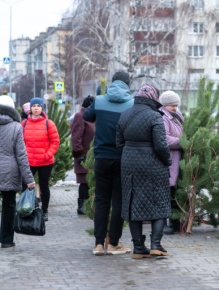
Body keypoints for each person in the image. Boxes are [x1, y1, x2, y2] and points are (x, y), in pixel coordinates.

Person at [116, 84, 172, 259]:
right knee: (160, 201)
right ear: (153, 98)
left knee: (133, 203)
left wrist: (131, 153)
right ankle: (156, 245)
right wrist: (167, 161)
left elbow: (118, 143)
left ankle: (138, 248)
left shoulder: (124, 115)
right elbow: (161, 146)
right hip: (152, 164)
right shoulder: (155, 116)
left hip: (129, 164)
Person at [83, 71, 133, 256]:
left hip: (102, 157)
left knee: (102, 200)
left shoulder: (100, 100)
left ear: (112, 83)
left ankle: (98, 244)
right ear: (128, 84)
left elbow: (87, 117)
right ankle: (113, 243)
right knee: (118, 201)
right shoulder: (132, 103)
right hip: (123, 158)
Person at [0, 95, 35, 248]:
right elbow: (21, 155)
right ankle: (7, 240)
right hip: (10, 171)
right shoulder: (16, 127)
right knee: (9, 206)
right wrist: (29, 179)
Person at [21, 97, 60, 222]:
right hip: (29, 161)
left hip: (45, 161)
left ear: (42, 108)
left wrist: (47, 155)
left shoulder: (49, 123)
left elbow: (55, 142)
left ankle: (45, 211)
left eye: (38, 105)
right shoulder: (24, 124)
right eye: (34, 106)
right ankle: (26, 208)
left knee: (44, 186)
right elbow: (20, 142)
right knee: (25, 186)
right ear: (30, 108)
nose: (36, 108)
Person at [158, 91, 184, 235]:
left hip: (179, 158)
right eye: (172, 105)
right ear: (164, 104)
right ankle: (165, 223)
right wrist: (183, 142)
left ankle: (176, 222)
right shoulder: (162, 117)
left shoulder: (177, 116)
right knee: (167, 192)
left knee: (176, 192)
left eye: (176, 105)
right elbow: (165, 139)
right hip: (168, 159)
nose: (175, 108)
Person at [70, 95, 95, 215]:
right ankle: (81, 207)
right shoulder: (80, 116)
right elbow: (76, 137)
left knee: (91, 182)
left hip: (92, 156)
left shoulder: (93, 117)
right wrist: (80, 154)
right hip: (83, 156)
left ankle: (90, 205)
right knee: (84, 182)